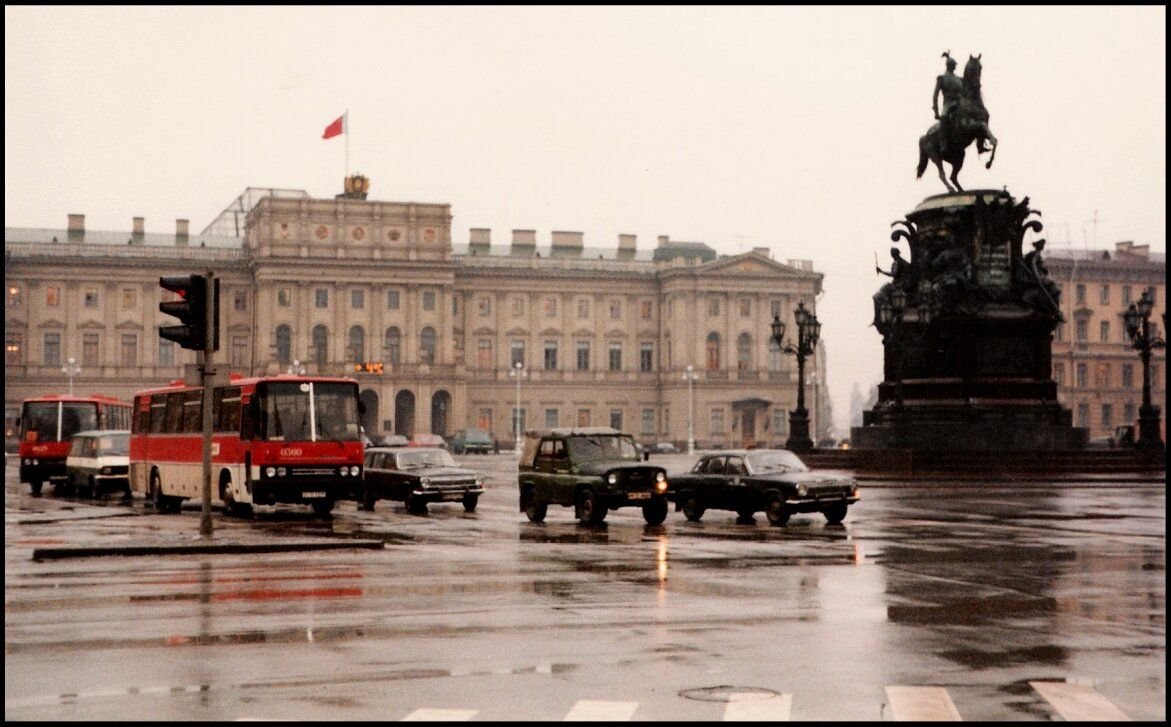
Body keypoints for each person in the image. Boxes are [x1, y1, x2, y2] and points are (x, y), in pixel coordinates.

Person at [933, 52, 964, 150]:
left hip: (960, 103)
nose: (954, 67)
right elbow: (935, 95)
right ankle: (943, 143)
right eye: (953, 65)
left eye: (954, 65)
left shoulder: (959, 79)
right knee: (944, 117)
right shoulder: (941, 78)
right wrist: (936, 111)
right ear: (949, 66)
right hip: (948, 103)